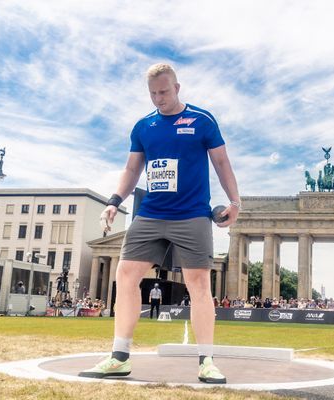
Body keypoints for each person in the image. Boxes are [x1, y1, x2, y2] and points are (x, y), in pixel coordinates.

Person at [79, 63, 240, 384]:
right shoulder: (143, 127)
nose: (158, 99)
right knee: (125, 274)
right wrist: (114, 201)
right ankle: (119, 356)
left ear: (177, 88)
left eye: (164, 92)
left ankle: (207, 360)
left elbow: (221, 161)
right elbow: (132, 170)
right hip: (151, 214)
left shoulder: (202, 120)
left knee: (199, 285)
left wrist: (235, 202)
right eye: (153, 93)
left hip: (192, 214)